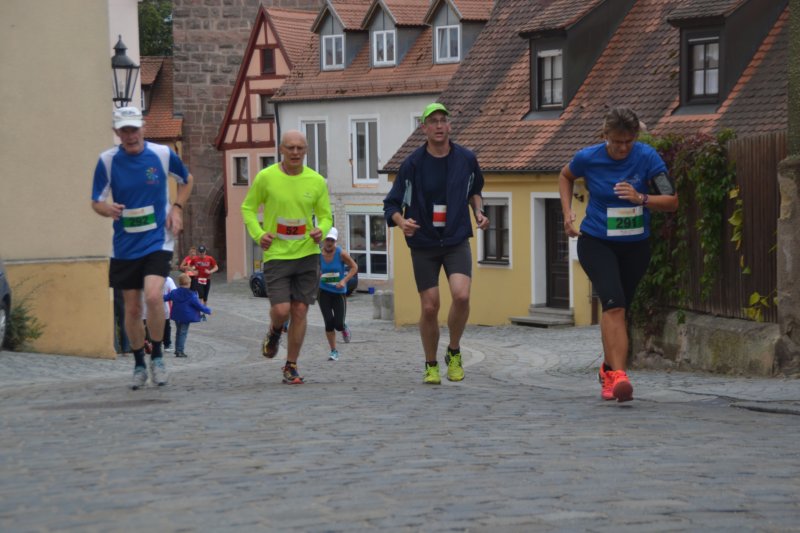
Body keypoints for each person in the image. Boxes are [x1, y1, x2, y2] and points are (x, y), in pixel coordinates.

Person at [559, 106, 678, 402]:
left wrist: (642, 198)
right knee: (614, 306)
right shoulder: (588, 157)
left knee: (618, 309)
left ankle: (608, 370)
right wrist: (567, 212)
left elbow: (672, 200)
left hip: (635, 246)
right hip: (596, 242)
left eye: (628, 142)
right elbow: (565, 175)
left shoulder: (648, 157)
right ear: (605, 135)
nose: (623, 148)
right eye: (616, 142)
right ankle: (621, 376)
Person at [383, 103, 489, 385]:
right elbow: (391, 204)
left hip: (455, 237)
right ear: (424, 128)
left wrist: (479, 212)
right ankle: (430, 364)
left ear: (449, 125)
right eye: (433, 121)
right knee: (430, 307)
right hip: (424, 242)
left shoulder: (466, 159)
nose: (439, 126)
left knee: (461, 296)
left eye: (443, 120)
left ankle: (453, 351)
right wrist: (402, 222)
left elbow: (475, 190)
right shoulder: (412, 164)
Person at [91, 106, 193, 390]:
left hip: (157, 239)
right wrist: (107, 209)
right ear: (117, 132)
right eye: (124, 130)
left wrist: (177, 208)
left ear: (143, 128)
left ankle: (157, 357)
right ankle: (139, 363)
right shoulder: (108, 161)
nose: (130, 135)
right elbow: (96, 201)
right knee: (133, 308)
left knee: (153, 296)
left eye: (134, 129)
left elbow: (186, 180)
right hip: (124, 245)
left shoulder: (161, 154)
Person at [241, 130, 333, 384]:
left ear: (306, 151)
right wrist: (259, 234)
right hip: (277, 255)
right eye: (290, 148)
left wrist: (321, 230)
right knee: (281, 310)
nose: (295, 152)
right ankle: (274, 330)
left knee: (300, 310)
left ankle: (291, 365)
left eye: (299, 148)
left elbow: (325, 216)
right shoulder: (266, 177)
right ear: (281, 149)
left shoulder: (316, 181)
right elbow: (248, 208)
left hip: (307, 254)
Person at [318, 227, 358, 361]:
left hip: (338, 293)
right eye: (327, 240)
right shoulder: (318, 255)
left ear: (335, 241)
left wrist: (344, 280)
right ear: (324, 240)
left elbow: (354, 267)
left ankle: (343, 327)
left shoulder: (341, 253)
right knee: (329, 322)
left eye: (332, 240)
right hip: (323, 292)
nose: (329, 243)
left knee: (338, 324)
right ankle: (334, 351)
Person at [164, 273, 212, 358]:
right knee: (183, 333)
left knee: (178, 332)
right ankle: (180, 351)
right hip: (186, 317)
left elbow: (165, 298)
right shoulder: (192, 295)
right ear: (189, 283)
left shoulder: (174, 292)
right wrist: (207, 310)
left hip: (176, 316)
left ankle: (177, 350)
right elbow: (199, 306)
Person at [191, 244, 218, 309]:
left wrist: (210, 271)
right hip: (198, 279)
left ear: (205, 251)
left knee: (205, 296)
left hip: (207, 279)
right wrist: (193, 271)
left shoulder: (210, 258)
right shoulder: (195, 259)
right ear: (198, 252)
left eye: (203, 252)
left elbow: (216, 267)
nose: (201, 254)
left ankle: (204, 309)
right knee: (201, 294)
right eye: (200, 252)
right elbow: (190, 266)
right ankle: (201, 309)